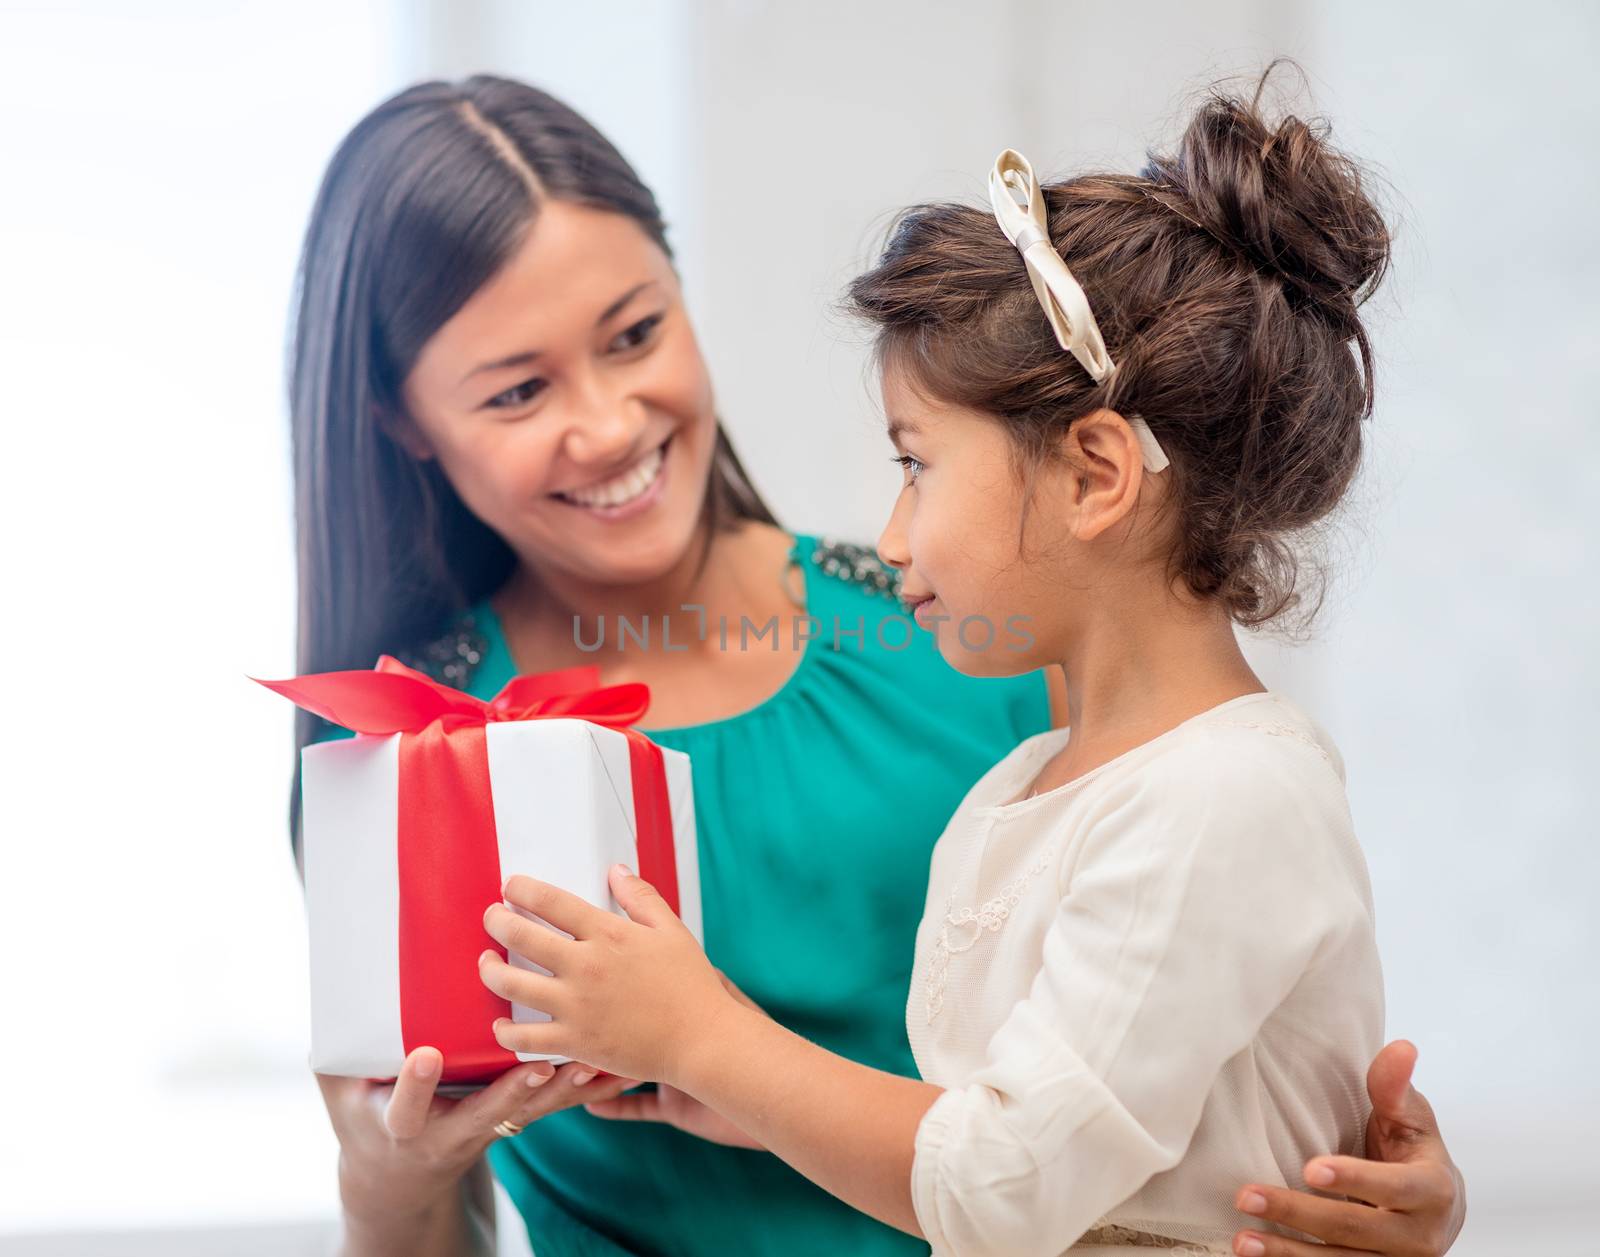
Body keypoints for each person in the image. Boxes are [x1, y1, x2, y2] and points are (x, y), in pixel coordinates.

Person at [287, 73, 1465, 1257]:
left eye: (634, 334)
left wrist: (1370, 1193)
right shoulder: (410, 768)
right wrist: (382, 1187)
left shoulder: (984, 626)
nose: (605, 424)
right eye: (518, 389)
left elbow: (1202, 1044)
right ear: (403, 419)